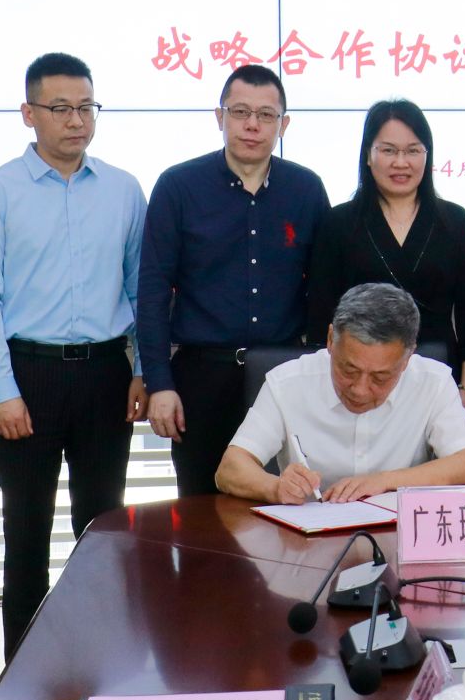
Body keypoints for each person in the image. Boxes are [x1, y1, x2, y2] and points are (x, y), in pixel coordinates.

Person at [0, 52, 148, 659]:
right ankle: (23, 671)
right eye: (61, 108)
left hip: (105, 373)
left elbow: (140, 290)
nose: (77, 121)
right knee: (26, 530)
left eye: (87, 107)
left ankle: (100, 659)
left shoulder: (123, 190)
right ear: (28, 113)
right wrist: (1, 392)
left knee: (102, 527)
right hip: (28, 375)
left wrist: (143, 369)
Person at [139, 64, 329, 495]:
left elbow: (322, 291)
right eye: (240, 112)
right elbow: (152, 292)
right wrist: (159, 383)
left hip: (283, 375)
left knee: (288, 499)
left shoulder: (306, 190)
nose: (252, 125)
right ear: (219, 116)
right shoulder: (178, 186)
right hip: (201, 377)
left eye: (266, 115)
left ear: (283, 124)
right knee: (201, 505)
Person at [303, 100, 465, 422]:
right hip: (359, 385)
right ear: (368, 155)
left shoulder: (455, 221)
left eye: (413, 151)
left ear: (427, 155)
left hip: (438, 382)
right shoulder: (338, 223)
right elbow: (322, 320)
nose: (401, 162)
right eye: (388, 150)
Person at [216, 283, 465, 503]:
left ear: (407, 358)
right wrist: (275, 488)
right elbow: (230, 469)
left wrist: (384, 481)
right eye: (349, 370)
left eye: (380, 377)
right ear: (330, 340)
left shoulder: (433, 381)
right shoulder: (287, 383)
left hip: (395, 539)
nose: (360, 390)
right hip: (308, 542)